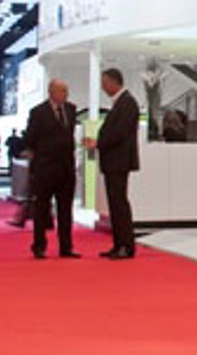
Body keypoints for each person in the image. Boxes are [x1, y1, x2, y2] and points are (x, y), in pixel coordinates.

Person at [86, 68, 140, 260]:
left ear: (113, 82)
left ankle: (125, 245)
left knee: (119, 204)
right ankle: (119, 244)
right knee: (115, 204)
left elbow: (119, 133)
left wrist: (98, 143)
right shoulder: (121, 102)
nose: (103, 87)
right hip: (114, 161)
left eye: (104, 83)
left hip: (119, 161)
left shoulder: (127, 103)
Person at [22, 80, 79, 259]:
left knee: (66, 210)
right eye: (62, 91)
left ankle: (66, 246)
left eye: (66, 91)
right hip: (45, 168)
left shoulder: (71, 109)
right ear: (51, 92)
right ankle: (39, 245)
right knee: (41, 209)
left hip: (66, 168)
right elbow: (30, 138)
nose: (65, 94)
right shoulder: (38, 112)